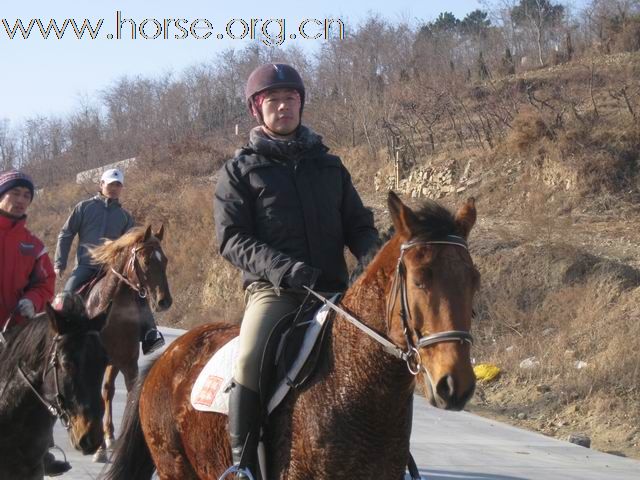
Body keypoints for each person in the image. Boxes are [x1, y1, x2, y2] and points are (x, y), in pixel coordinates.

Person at [214, 63, 379, 478]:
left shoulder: (330, 167)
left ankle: (388, 453)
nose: (283, 107)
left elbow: (358, 225)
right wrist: (283, 269)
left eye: (291, 99)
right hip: (276, 292)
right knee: (250, 358)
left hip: (336, 291)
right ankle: (243, 464)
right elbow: (231, 239)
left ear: (301, 105)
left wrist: (372, 256)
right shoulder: (239, 171)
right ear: (257, 109)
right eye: (273, 100)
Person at [0, 169, 71, 476]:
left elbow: (45, 283)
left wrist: (33, 299)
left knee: (43, 383)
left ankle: (42, 450)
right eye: (15, 193)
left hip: (17, 331)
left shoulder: (33, 244)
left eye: (26, 196)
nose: (20, 200)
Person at [53, 168, 165, 355]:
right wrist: (59, 263)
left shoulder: (125, 216)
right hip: (85, 266)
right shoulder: (84, 207)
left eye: (118, 185)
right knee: (67, 295)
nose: (114, 188)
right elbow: (66, 233)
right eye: (111, 184)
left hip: (112, 270)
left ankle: (150, 333)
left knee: (140, 294)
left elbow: (133, 245)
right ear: (101, 185)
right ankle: (57, 337)